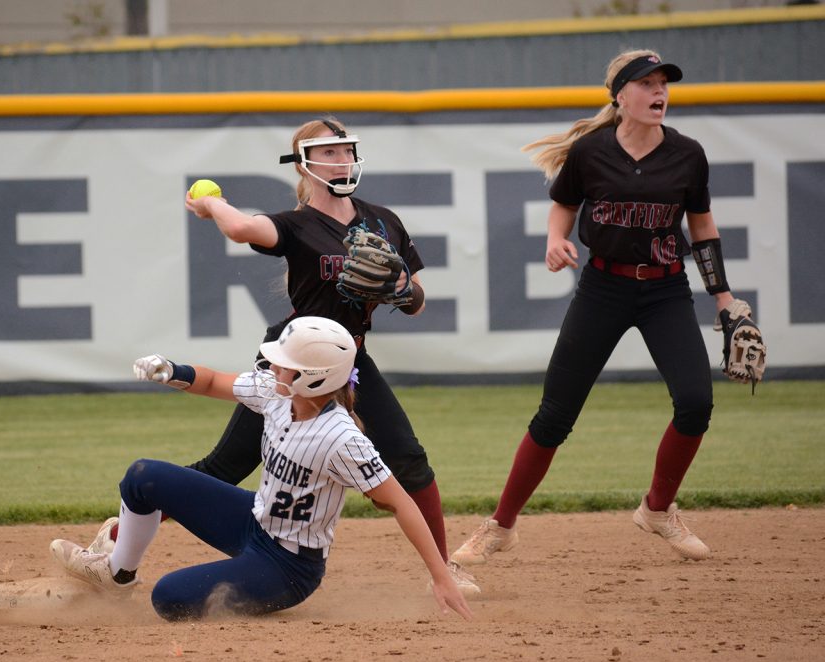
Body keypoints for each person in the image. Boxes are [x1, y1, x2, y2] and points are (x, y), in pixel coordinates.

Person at [451, 49, 753, 566]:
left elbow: (702, 228)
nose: (659, 92)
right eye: (646, 83)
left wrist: (725, 300)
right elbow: (564, 206)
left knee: (696, 403)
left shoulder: (687, 154)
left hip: (665, 290)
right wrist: (554, 240)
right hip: (603, 290)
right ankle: (499, 526)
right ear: (620, 96)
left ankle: (658, 510)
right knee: (554, 417)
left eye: (664, 83)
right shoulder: (591, 152)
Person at [170, 117, 479, 595]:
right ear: (304, 163)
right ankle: (113, 541)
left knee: (409, 460)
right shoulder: (295, 225)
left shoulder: (383, 221)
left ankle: (445, 568)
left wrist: (399, 288)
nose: (342, 159)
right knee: (226, 467)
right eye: (329, 152)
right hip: (292, 360)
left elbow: (417, 301)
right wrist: (211, 203)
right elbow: (241, 229)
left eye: (346, 150)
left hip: (350, 362)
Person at [50, 316, 473, 622]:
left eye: (283, 362)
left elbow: (402, 504)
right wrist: (171, 371)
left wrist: (441, 576)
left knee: (168, 598)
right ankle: (117, 573)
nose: (272, 367)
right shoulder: (277, 392)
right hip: (253, 520)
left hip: (289, 567)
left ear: (314, 377)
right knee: (143, 476)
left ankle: (247, 585)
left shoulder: (342, 438)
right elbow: (215, 381)